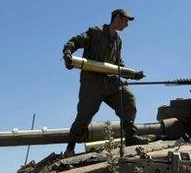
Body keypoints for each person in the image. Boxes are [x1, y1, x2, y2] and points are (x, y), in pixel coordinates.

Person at [62, 8, 150, 157]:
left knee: (128, 100)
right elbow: (75, 41)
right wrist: (68, 54)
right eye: (126, 20)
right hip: (92, 81)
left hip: (110, 80)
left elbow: (118, 62)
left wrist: (132, 74)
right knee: (84, 114)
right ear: (117, 18)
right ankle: (70, 147)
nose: (127, 25)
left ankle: (131, 137)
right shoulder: (95, 32)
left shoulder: (118, 40)